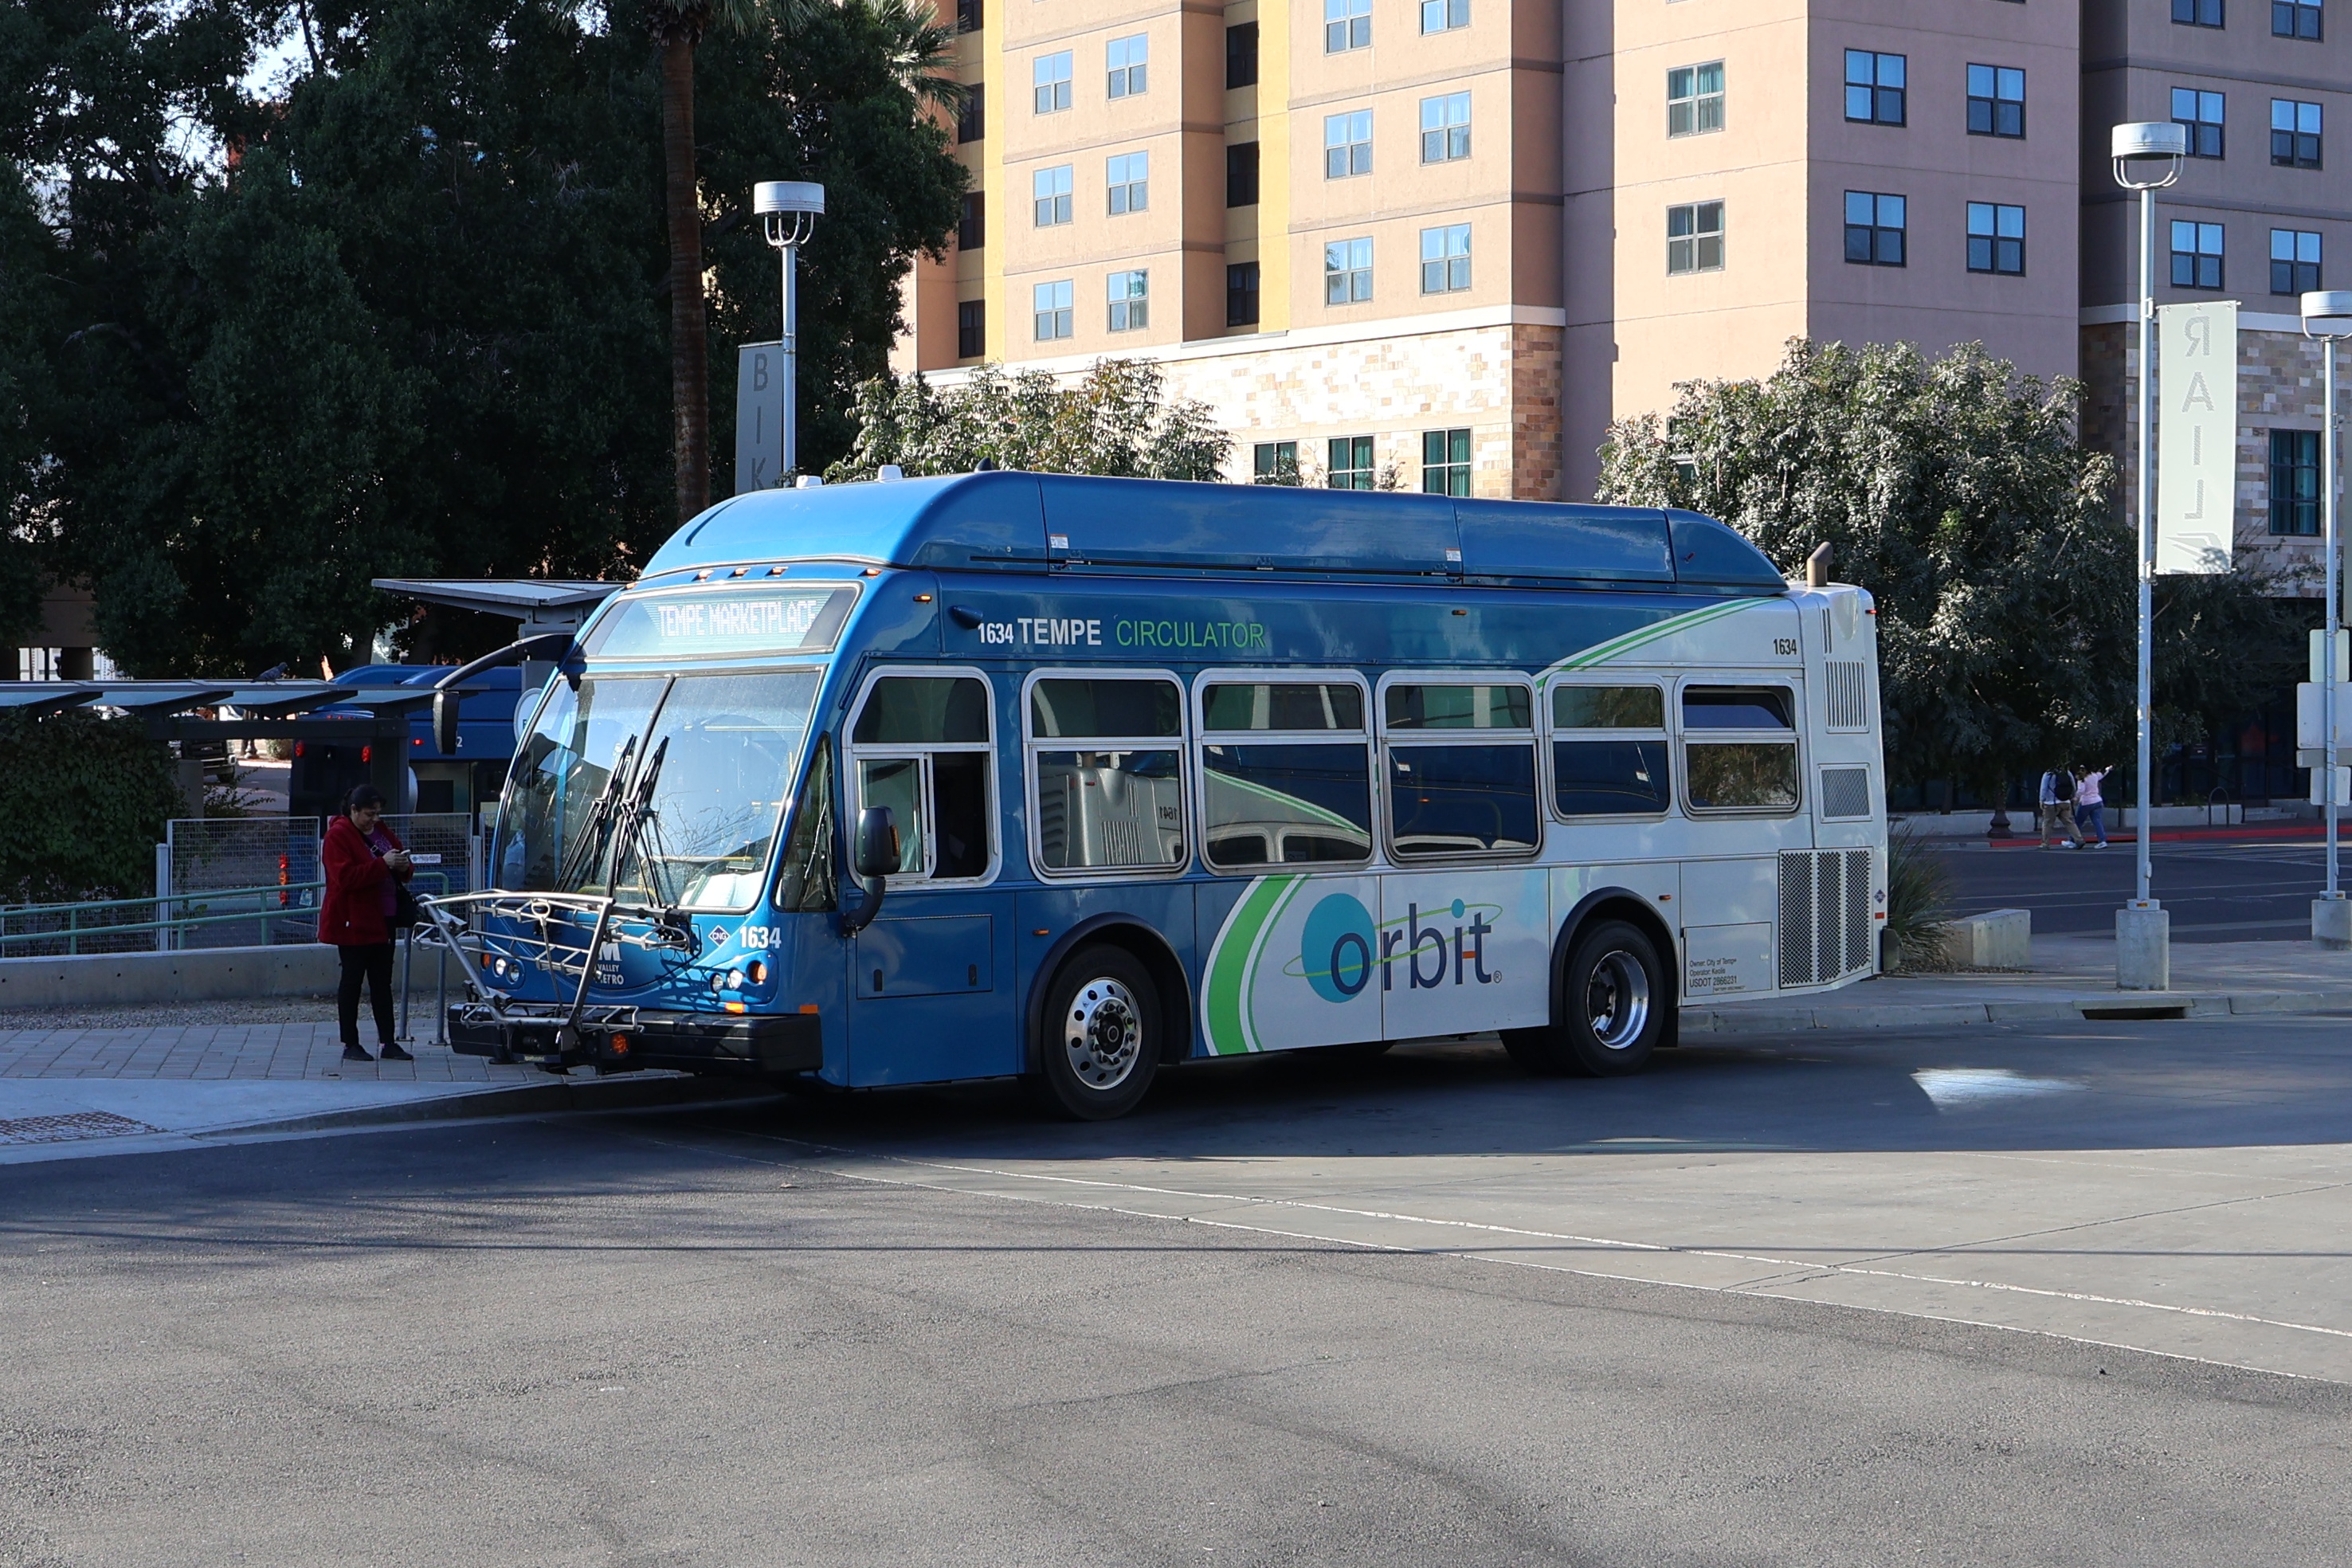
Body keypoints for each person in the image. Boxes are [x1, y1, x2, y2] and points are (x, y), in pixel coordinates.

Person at [319, 784, 414, 1062]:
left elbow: (399, 860)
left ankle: (388, 1042)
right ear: (353, 811)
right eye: (370, 814)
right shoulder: (337, 836)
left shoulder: (381, 831)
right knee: (352, 981)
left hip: (385, 918)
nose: (375, 819)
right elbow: (345, 878)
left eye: (378, 814)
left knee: (382, 983)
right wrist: (383, 865)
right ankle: (351, 1043)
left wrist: (402, 865)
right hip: (354, 921)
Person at [2036, 766, 2078, 849]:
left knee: (2048, 823)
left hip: (2051, 803)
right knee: (2069, 822)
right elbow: (2073, 785)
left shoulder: (2048, 773)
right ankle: (2079, 839)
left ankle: (2045, 843)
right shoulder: (2067, 772)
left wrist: (2041, 800)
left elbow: (2044, 788)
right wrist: (2073, 796)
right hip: (2065, 801)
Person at [2073, 765, 2111, 849]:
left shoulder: (2082, 780)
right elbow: (2103, 774)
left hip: (2086, 802)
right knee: (2097, 822)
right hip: (2097, 801)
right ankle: (2102, 840)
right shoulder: (2094, 775)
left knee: (2078, 822)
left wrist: (2075, 798)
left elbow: (2081, 791)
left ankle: (2073, 839)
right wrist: (2109, 768)